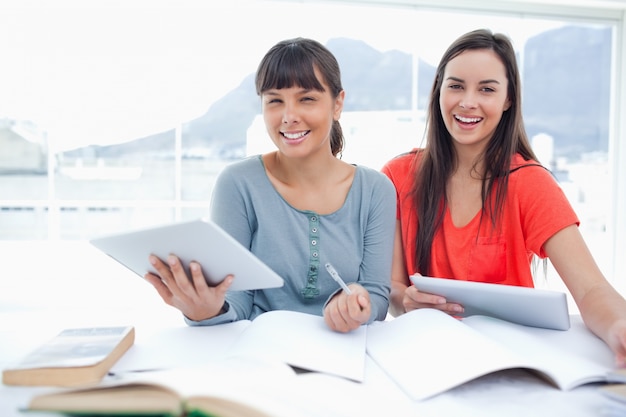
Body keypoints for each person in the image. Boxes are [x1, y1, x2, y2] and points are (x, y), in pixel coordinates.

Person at [381, 28, 626, 362]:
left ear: (508, 99)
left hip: (511, 360)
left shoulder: (530, 183)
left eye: (486, 89)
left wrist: (619, 326)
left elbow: (591, 289)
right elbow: (393, 288)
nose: (468, 102)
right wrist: (405, 301)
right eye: (456, 86)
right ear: (438, 89)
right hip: (425, 355)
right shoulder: (397, 176)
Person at [145, 37, 396, 333]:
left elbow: (377, 295)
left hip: (349, 351)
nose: (289, 117)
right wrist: (207, 311)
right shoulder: (238, 184)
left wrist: (360, 303)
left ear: (337, 103)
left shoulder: (376, 190)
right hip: (261, 355)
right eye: (275, 101)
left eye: (307, 99)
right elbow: (236, 301)